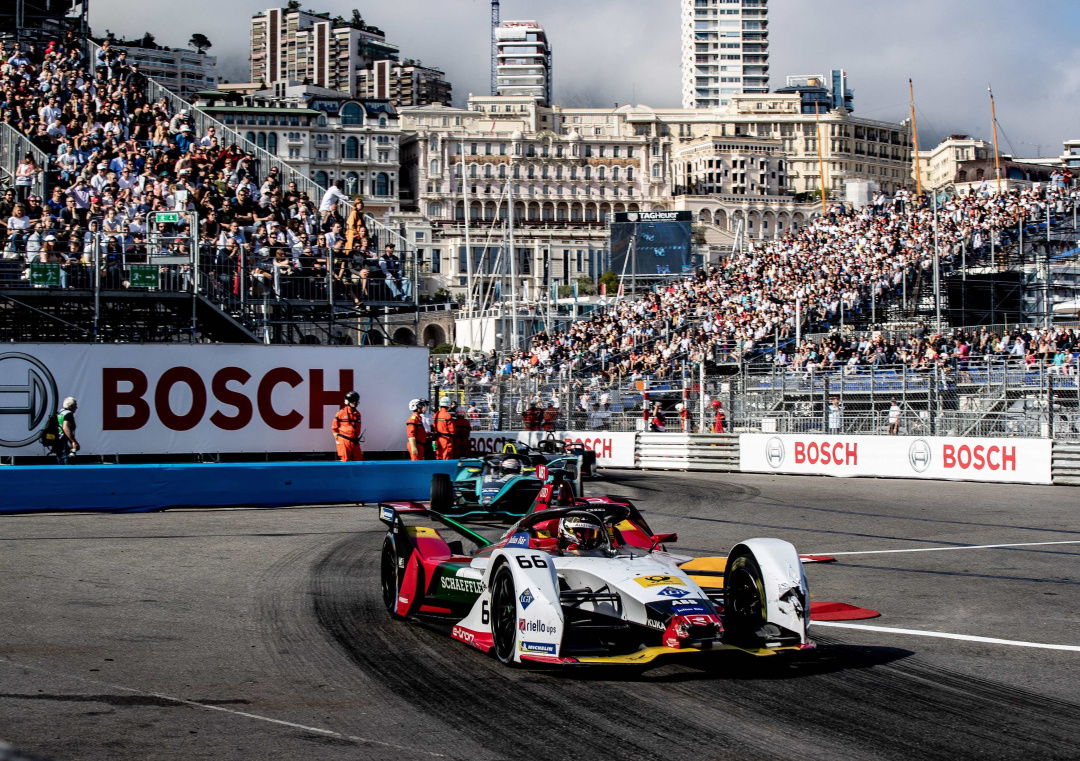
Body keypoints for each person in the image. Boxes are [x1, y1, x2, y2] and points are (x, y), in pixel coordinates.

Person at [332, 391, 363, 461]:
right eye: (352, 401)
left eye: (356, 400)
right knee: (345, 460)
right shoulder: (341, 413)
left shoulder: (358, 414)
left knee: (359, 460)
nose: (354, 402)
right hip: (344, 440)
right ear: (347, 401)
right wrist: (337, 440)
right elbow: (334, 428)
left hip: (354, 441)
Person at [55, 397, 80, 465]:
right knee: (67, 460)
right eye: (75, 405)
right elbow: (65, 427)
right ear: (70, 406)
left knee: (60, 458)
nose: (76, 407)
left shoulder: (60, 413)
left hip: (58, 440)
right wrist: (73, 441)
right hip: (65, 441)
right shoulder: (68, 414)